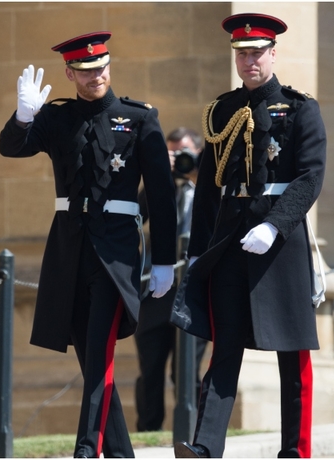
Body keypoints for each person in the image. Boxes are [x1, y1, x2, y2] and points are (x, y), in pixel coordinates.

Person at [0, 32, 178, 458]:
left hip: (114, 255)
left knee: (99, 353)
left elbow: (162, 195)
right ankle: (119, 453)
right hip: (67, 252)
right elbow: (10, 147)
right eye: (84, 70)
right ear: (69, 73)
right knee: (91, 361)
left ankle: (85, 450)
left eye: (100, 67)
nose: (95, 76)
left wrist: (166, 260)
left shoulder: (138, 118)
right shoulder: (57, 117)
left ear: (109, 66)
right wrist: (24, 116)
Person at [172, 13, 326, 458]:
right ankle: (205, 447)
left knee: (293, 355)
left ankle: (295, 451)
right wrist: (198, 251)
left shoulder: (300, 109)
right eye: (242, 53)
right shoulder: (223, 109)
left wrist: (275, 224)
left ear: (273, 54)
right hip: (231, 240)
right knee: (224, 349)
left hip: (280, 242)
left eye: (257, 52)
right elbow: (208, 187)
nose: (249, 60)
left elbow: (310, 178)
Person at [134, 127, 208, 432]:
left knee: (186, 371)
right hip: (155, 291)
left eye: (184, 154)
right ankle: (148, 433)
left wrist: (197, 176)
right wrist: (157, 173)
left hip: (195, 293)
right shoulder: (160, 187)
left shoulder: (208, 187)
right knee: (150, 370)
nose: (180, 160)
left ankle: (191, 432)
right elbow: (133, 217)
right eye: (173, 154)